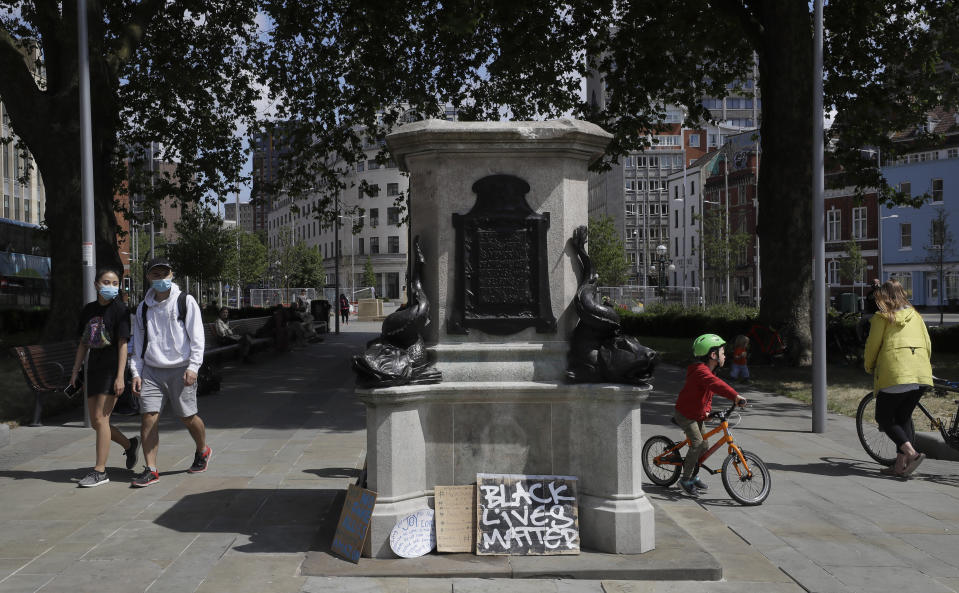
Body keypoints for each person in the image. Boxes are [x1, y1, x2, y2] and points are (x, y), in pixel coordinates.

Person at [129, 257, 211, 487]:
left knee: (187, 416)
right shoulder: (143, 307)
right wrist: (136, 372)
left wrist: (193, 367)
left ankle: (202, 450)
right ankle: (151, 469)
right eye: (155, 274)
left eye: (164, 274)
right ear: (148, 278)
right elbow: (138, 343)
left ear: (172, 275)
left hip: (180, 369)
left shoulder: (185, 301)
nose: (160, 279)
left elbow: (197, 338)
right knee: (148, 418)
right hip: (152, 371)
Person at [69, 268, 139, 487]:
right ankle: (129, 445)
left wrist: (121, 376)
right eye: (106, 281)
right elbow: (83, 342)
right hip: (94, 369)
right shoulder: (88, 310)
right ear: (97, 284)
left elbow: (123, 344)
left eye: (115, 282)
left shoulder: (120, 310)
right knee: (96, 423)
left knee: (101, 419)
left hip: (112, 370)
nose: (111, 286)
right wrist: (75, 371)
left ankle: (100, 471)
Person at [863, 279, 932, 477]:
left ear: (883, 298)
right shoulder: (916, 316)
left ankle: (912, 454)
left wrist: (869, 365)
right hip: (919, 374)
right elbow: (927, 343)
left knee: (883, 418)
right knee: (903, 417)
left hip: (896, 373)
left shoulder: (882, 317)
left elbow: (873, 345)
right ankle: (900, 466)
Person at [674, 334, 747, 497]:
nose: (725, 356)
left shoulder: (708, 372)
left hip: (697, 414)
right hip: (685, 414)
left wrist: (706, 411)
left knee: (705, 445)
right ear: (713, 355)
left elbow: (708, 394)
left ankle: (693, 474)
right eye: (722, 353)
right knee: (697, 443)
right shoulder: (701, 371)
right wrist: (735, 396)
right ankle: (685, 480)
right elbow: (716, 385)